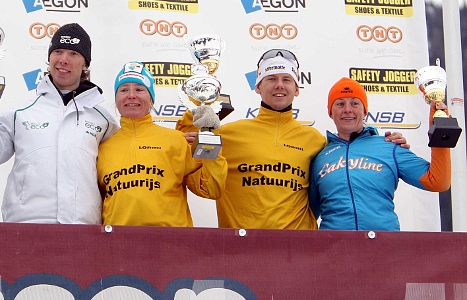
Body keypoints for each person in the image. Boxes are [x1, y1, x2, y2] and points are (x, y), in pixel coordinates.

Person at [177, 49, 409, 229]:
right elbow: (186, 169)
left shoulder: (315, 140)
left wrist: (380, 143)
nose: (279, 85)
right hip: (242, 250)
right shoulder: (228, 134)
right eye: (271, 79)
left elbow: (347, 157)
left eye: (287, 79)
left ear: (296, 88)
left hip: (298, 251)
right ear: (257, 87)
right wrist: (194, 113)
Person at [0, 23, 119, 224]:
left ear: (85, 64)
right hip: (27, 226)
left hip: (83, 228)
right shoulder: (21, 113)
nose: (63, 60)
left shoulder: (103, 120)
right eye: (58, 51)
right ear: (49, 58)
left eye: (73, 54)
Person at [309, 78, 451, 230]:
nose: (348, 109)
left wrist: (439, 129)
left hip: (383, 246)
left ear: (365, 111)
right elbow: (309, 214)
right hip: (334, 248)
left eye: (355, 103)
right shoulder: (320, 158)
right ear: (330, 112)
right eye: (340, 103)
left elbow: (438, 181)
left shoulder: (390, 146)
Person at [97, 61, 227, 226]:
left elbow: (211, 189)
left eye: (139, 89)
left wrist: (211, 147)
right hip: (118, 243)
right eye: (123, 90)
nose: (131, 95)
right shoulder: (103, 147)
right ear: (116, 99)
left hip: (171, 244)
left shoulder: (176, 140)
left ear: (151, 99)